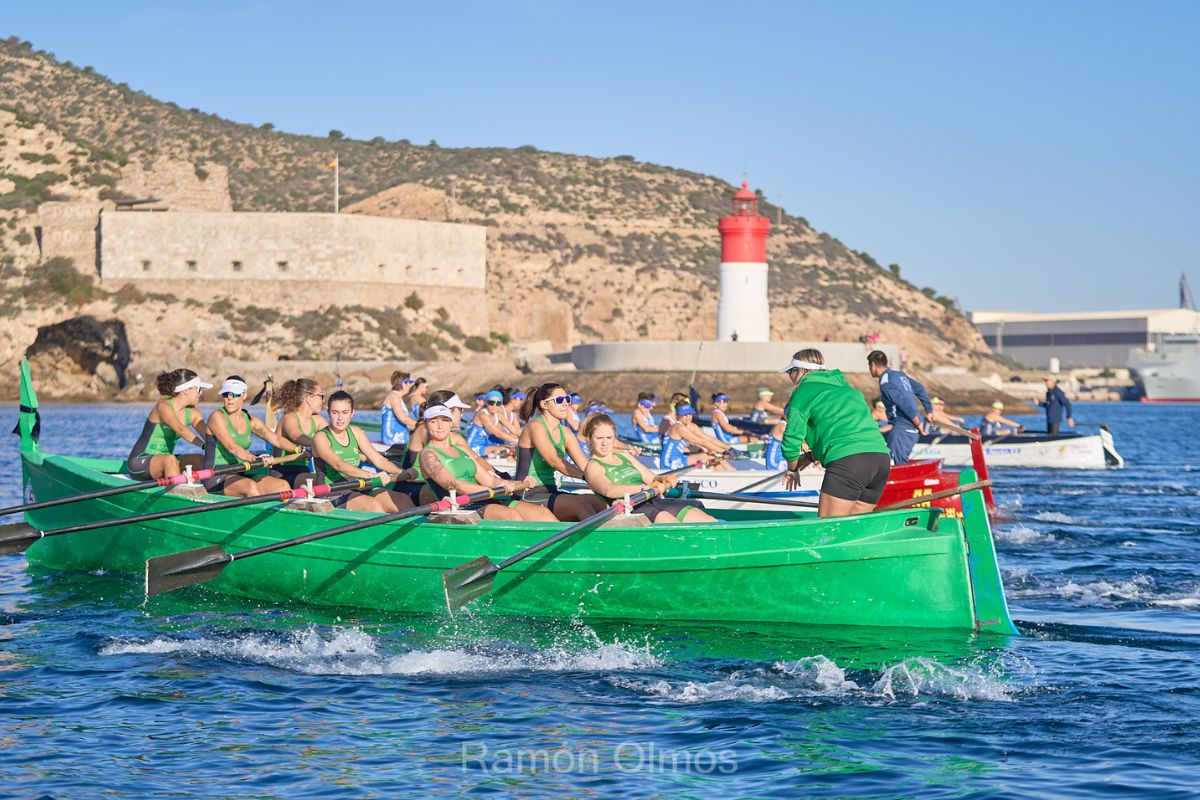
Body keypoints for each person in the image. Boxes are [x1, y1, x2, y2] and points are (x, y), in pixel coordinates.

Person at [779, 348, 892, 517]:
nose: (790, 377)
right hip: (880, 460)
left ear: (801, 371)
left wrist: (792, 469)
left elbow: (792, 438)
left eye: (791, 371)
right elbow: (841, 430)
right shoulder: (850, 390)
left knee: (828, 529)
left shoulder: (803, 391)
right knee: (854, 531)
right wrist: (810, 457)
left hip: (850, 463)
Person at [419, 404, 556, 521]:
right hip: (462, 506)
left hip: (486, 497)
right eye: (433, 421)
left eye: (444, 420)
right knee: (509, 515)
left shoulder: (462, 450)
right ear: (425, 424)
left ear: (451, 423)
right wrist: (494, 490)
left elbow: (490, 481)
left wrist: (517, 483)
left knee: (543, 513)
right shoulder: (428, 455)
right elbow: (455, 485)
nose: (439, 426)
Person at [583, 414, 717, 524]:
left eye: (609, 438)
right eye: (599, 438)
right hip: (631, 508)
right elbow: (609, 490)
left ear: (614, 438)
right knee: (672, 524)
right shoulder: (593, 466)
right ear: (589, 439)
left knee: (710, 522)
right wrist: (643, 488)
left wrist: (664, 479)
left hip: (653, 499)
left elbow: (651, 478)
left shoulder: (624, 456)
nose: (605, 443)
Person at [312, 390, 417, 512]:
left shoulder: (356, 432)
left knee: (403, 501)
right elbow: (339, 465)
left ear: (352, 413)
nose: (340, 418)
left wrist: (403, 472)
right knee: (373, 506)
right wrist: (372, 476)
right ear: (328, 413)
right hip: (331, 490)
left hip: (357, 484)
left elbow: (379, 460)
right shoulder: (320, 437)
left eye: (345, 412)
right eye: (335, 412)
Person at [514, 383, 607, 521]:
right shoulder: (535, 426)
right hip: (527, 492)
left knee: (603, 502)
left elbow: (585, 464)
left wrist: (607, 478)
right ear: (544, 405)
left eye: (567, 399)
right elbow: (555, 461)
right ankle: (598, 540)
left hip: (550, 490)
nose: (565, 404)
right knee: (580, 504)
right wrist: (586, 478)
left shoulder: (566, 432)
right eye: (559, 400)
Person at [201, 376, 297, 496]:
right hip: (216, 474)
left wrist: (299, 450)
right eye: (226, 394)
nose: (229, 398)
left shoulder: (251, 421)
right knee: (251, 488)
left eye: (234, 394)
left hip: (240, 472)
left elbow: (275, 439)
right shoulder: (216, 417)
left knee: (282, 486)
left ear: (244, 395)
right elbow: (232, 447)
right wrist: (255, 459)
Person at [126, 368, 210, 479]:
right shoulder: (163, 406)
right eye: (198, 388)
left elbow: (208, 437)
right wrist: (204, 445)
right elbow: (180, 429)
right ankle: (176, 492)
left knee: (201, 460)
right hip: (139, 462)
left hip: (165, 459)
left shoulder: (193, 413)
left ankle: (212, 491)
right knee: (169, 460)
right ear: (186, 390)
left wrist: (225, 449)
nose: (201, 393)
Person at [867, 350, 932, 465]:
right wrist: (929, 411)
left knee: (897, 464)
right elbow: (920, 389)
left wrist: (918, 423)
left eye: (869, 366)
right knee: (887, 456)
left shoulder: (885, 383)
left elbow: (902, 403)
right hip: (904, 426)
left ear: (873, 365)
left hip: (903, 427)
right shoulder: (899, 375)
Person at [274, 377, 328, 488]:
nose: (323, 400)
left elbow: (333, 438)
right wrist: (318, 444)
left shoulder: (318, 420)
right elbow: (297, 436)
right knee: (324, 480)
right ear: (309, 398)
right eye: (321, 396)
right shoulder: (289, 418)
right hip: (282, 472)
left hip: (303, 471)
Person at [660, 404, 734, 470]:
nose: (688, 417)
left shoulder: (691, 426)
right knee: (711, 457)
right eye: (685, 415)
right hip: (669, 463)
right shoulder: (678, 427)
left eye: (690, 414)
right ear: (678, 415)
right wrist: (724, 452)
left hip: (681, 458)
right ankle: (735, 477)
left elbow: (708, 438)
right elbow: (701, 441)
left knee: (715, 463)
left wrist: (730, 448)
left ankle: (732, 476)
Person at [465, 389, 518, 457]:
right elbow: (498, 433)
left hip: (487, 443)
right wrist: (517, 441)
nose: (494, 406)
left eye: (498, 403)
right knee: (507, 450)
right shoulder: (482, 415)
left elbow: (515, 430)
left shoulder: (498, 416)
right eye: (491, 403)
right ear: (486, 403)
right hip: (474, 446)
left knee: (512, 448)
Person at [380, 371, 417, 448]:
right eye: (409, 382)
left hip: (398, 435)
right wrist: (420, 425)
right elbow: (402, 418)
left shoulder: (396, 396)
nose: (410, 385)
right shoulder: (394, 397)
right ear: (404, 383)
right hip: (392, 437)